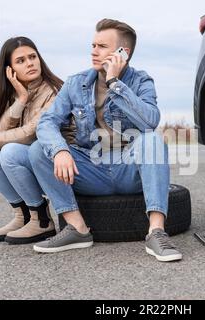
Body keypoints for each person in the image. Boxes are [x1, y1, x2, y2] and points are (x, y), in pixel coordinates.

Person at [28, 19, 182, 262]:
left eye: (101, 46)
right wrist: (60, 151)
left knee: (152, 140)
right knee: (39, 150)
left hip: (129, 169)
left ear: (123, 53)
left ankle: (156, 232)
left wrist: (114, 83)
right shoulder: (76, 83)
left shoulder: (141, 81)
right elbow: (47, 122)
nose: (93, 51)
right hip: (91, 168)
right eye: (93, 45)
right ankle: (77, 229)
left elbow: (149, 120)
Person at [0, 37, 63, 244]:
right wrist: (21, 100)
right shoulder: (19, 94)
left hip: (59, 163)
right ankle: (25, 216)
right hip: (36, 160)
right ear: (10, 70)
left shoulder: (53, 91)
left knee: (8, 151)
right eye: (21, 61)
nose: (29, 63)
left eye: (32, 57)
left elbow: (30, 133)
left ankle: (42, 221)